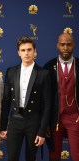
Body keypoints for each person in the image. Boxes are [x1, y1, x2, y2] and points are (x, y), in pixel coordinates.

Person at [0, 36, 51, 161]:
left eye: (29, 49)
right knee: (12, 157)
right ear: (18, 53)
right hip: (15, 121)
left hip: (33, 122)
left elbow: (47, 104)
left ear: (35, 51)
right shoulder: (11, 72)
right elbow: (6, 100)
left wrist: (42, 131)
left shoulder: (44, 73)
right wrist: (2, 126)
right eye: (23, 50)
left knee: (31, 158)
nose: (26, 53)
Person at [44, 32, 79, 161]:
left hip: (75, 117)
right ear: (57, 45)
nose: (65, 48)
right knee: (54, 155)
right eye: (62, 44)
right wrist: (46, 121)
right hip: (55, 118)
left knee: (77, 154)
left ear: (73, 45)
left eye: (69, 45)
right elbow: (44, 97)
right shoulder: (48, 67)